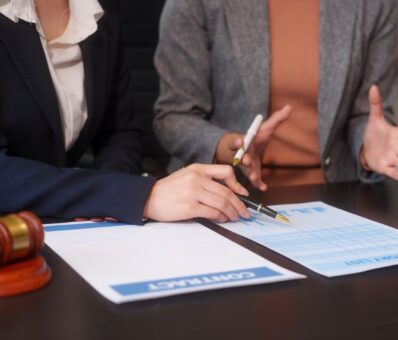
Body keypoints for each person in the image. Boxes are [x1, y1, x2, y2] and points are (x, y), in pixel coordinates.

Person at [0, 0, 250, 224]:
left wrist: (105, 199)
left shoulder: (101, 8)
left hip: (62, 224)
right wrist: (126, 194)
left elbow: (120, 133)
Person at [154, 0, 398, 190]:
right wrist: (228, 145)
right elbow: (174, 116)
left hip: (337, 197)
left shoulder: (373, 5)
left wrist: (365, 148)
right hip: (227, 193)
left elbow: (368, 115)